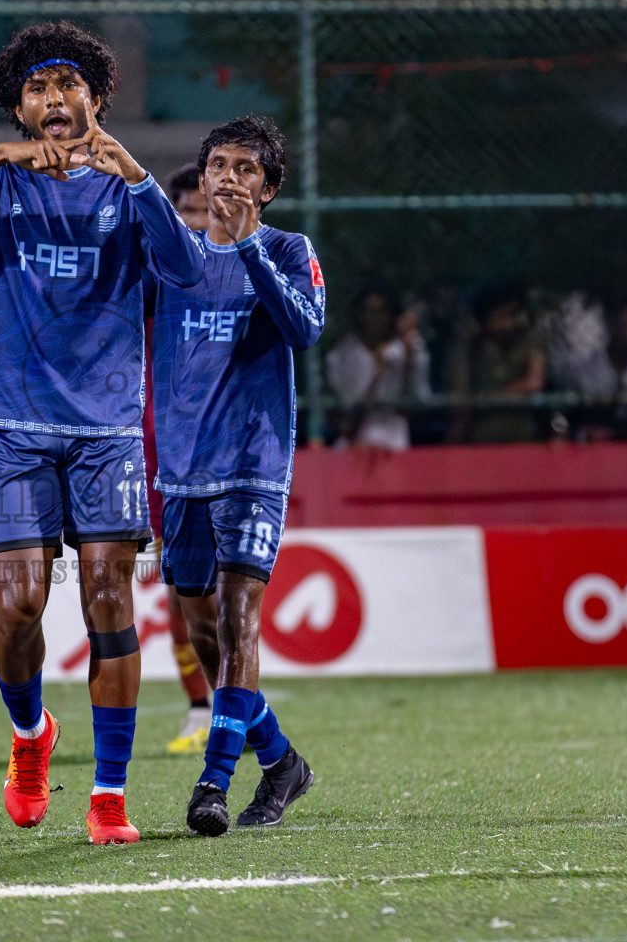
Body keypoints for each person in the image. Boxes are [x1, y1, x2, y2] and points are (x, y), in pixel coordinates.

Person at [0, 22, 203, 845]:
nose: (55, 100)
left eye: (69, 86)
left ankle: (108, 798)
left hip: (106, 432)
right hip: (13, 429)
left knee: (108, 600)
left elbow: (189, 270)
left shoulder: (127, 190)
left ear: (96, 98)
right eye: (37, 88)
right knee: (22, 603)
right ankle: (31, 738)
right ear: (19, 108)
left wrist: (137, 178)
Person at [150, 115, 322, 837]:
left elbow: (305, 328)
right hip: (182, 472)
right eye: (219, 164)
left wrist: (251, 246)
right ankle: (281, 761)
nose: (229, 177)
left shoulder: (286, 248)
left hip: (254, 465)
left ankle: (214, 785)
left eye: (246, 169)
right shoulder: (174, 259)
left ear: (270, 187)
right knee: (205, 635)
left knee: (236, 618)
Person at [152, 162, 214, 754]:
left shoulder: (241, 271)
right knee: (180, 585)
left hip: (229, 447)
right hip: (162, 449)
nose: (197, 223)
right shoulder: (155, 273)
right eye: (187, 213)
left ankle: (235, 704)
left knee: (233, 588)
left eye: (205, 211)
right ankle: (200, 707)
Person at [325, 284, 430, 451]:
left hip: (398, 442)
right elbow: (349, 414)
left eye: (381, 311)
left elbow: (418, 402)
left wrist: (408, 361)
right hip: (354, 445)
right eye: (367, 311)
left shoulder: (410, 348)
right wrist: (378, 373)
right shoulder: (342, 354)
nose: (374, 318)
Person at [449, 280, 548, 444]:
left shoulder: (530, 339)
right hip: (479, 440)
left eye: (512, 314)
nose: (507, 323)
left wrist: (487, 399)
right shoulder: (468, 347)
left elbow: (533, 383)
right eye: (500, 316)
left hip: (522, 440)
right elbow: (458, 400)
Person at [562, 296, 627, 441]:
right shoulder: (585, 368)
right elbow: (567, 414)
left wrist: (616, 437)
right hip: (588, 451)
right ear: (611, 324)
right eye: (624, 324)